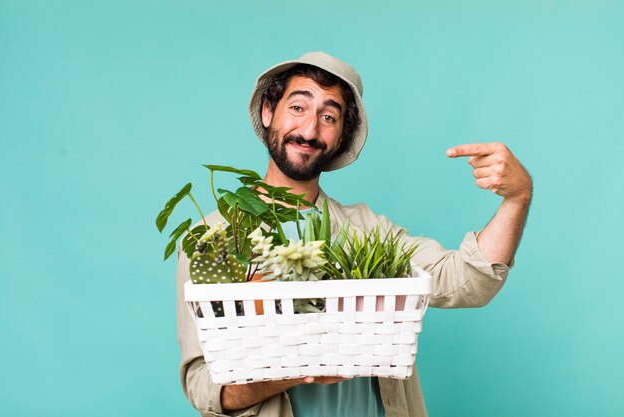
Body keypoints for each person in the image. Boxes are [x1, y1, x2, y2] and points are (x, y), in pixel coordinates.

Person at [176, 51, 532, 417]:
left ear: (341, 137)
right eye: (298, 107)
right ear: (269, 111)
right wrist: (296, 366)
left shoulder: (366, 231)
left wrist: (516, 199)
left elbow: (467, 279)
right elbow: (203, 386)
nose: (310, 130)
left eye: (328, 117)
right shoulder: (214, 237)